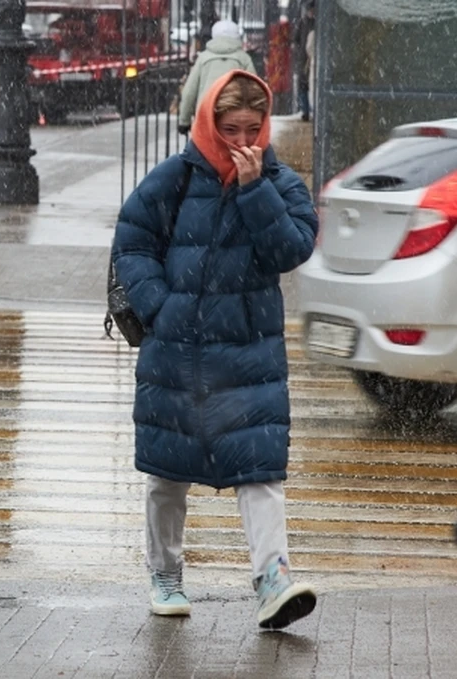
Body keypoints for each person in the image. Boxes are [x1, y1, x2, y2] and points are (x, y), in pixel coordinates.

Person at [111, 70, 319, 630]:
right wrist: (161, 307)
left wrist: (255, 192)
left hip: (248, 356)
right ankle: (166, 575)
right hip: (176, 349)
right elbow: (131, 240)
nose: (244, 141)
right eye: (231, 129)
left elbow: (291, 247)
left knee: (260, 472)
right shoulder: (174, 177)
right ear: (209, 123)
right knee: (165, 474)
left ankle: (273, 579)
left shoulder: (278, 181)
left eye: (254, 128)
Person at [177, 20, 257, 136]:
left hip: (206, 112)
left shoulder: (203, 58)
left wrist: (184, 121)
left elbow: (189, 92)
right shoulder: (244, 59)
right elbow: (254, 90)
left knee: (204, 150)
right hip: (234, 113)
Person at [292, 1, 315, 121]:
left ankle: (309, 110)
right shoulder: (303, 22)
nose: (311, 12)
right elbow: (295, 39)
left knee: (309, 85)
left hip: (311, 59)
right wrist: (299, 51)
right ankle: (305, 111)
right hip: (303, 59)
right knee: (303, 85)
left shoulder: (314, 23)